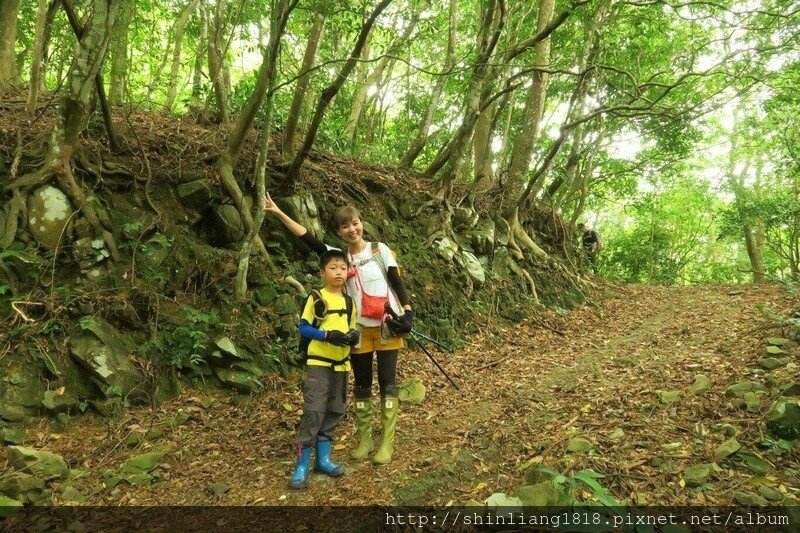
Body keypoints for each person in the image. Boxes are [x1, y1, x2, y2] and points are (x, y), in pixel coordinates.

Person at [264, 193, 414, 465]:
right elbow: (308, 238)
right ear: (340, 231)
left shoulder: (380, 250)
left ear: (362, 223)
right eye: (345, 226)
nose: (352, 229)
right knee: (363, 386)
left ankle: (386, 443)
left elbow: (397, 282)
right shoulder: (340, 257)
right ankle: (365, 438)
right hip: (357, 331)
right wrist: (277, 212)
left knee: (388, 383)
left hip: (386, 327)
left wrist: (408, 312)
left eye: (354, 223)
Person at [290, 249, 360, 490]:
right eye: (333, 267)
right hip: (318, 363)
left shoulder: (350, 302)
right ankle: (301, 465)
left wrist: (353, 336)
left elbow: (353, 329)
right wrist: (326, 335)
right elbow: (303, 328)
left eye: (342, 267)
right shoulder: (317, 297)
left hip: (342, 365)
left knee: (335, 409)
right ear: (323, 272)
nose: (338, 271)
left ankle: (323, 460)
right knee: (314, 411)